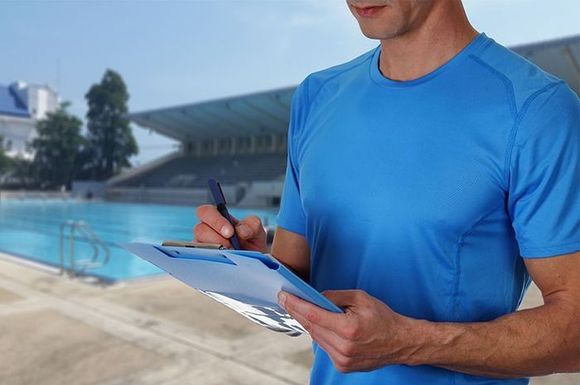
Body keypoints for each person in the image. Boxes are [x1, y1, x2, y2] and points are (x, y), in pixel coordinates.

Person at [194, 1, 580, 384]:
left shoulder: (536, 110)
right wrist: (249, 264)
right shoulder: (316, 97)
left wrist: (410, 343)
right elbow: (296, 288)